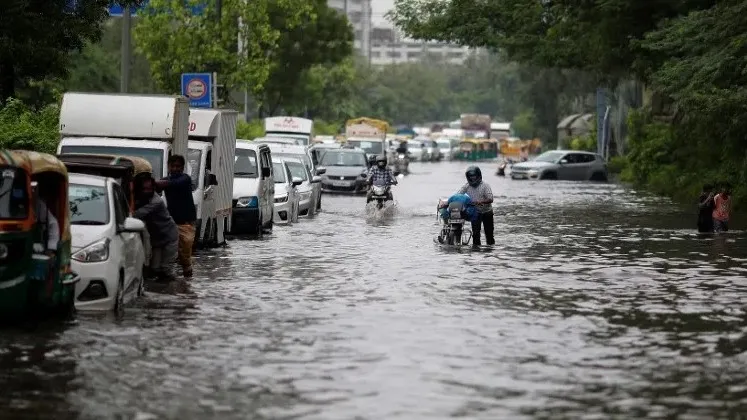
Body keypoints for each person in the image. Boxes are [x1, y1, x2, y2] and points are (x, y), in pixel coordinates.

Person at [156, 155, 197, 278]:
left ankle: (187, 277)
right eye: (172, 166)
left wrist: (155, 183)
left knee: (185, 253)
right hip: (171, 222)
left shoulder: (185, 179)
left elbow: (174, 184)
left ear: (182, 168)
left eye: (178, 166)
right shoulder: (166, 181)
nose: (175, 169)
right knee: (167, 250)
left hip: (186, 223)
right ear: (168, 166)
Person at [133, 176, 179, 282]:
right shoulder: (140, 198)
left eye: (150, 188)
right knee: (155, 269)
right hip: (157, 238)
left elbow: (138, 214)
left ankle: (173, 291)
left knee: (166, 268)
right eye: (145, 189)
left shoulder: (156, 201)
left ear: (154, 188)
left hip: (169, 236)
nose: (147, 191)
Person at [455, 166, 494, 246]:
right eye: (470, 176)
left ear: (479, 175)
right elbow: (458, 195)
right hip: (475, 213)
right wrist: (449, 201)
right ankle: (476, 253)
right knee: (476, 234)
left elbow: (490, 199)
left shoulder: (485, 186)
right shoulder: (466, 186)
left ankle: (490, 253)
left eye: (474, 176)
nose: (472, 178)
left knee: (489, 234)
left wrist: (481, 201)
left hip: (487, 212)